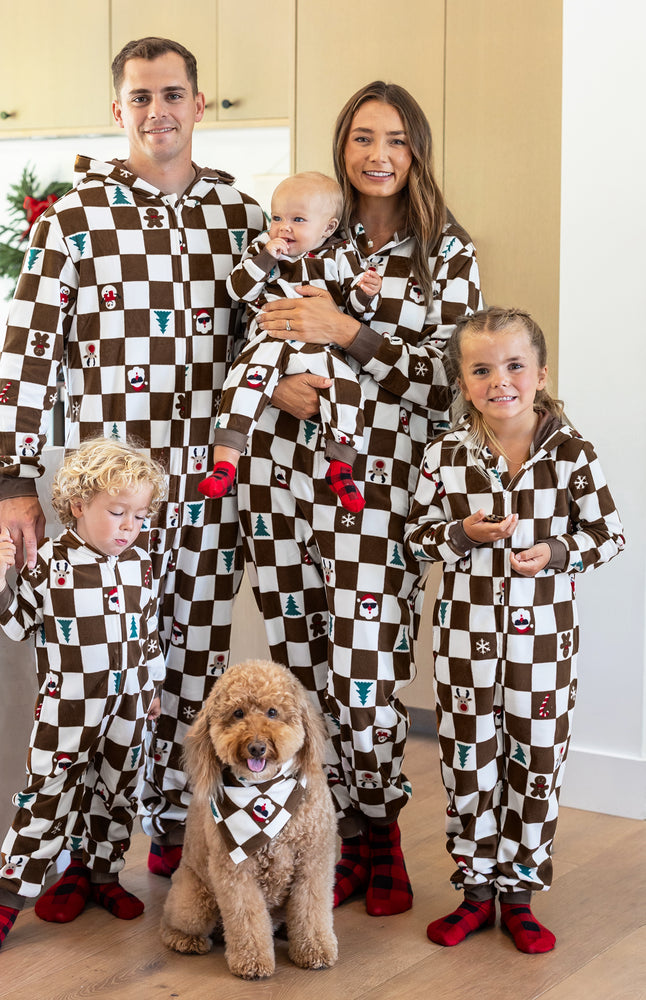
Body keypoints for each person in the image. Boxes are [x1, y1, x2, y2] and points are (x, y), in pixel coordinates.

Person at [0, 36, 265, 892]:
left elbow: (275, 338)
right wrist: (15, 482)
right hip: (116, 499)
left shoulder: (244, 217)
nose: (158, 111)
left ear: (199, 105)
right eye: (140, 98)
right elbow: (28, 350)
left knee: (190, 668)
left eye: (173, 94)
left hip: (213, 495)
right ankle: (86, 854)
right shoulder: (74, 218)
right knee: (101, 677)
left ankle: (182, 844)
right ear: (119, 111)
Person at [235, 81, 482, 917]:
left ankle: (382, 834)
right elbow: (249, 338)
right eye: (362, 139)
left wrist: (345, 334)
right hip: (279, 489)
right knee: (302, 674)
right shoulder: (304, 236)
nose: (378, 155)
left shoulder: (445, 254)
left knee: (366, 675)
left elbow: (447, 384)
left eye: (397, 141)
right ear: (342, 147)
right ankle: (328, 837)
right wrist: (276, 393)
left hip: (378, 497)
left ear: (417, 153)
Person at [404, 307, 625, 953]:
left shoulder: (573, 453)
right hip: (462, 644)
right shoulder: (446, 454)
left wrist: (557, 554)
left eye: (514, 365)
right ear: (465, 381)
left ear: (540, 373)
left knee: (535, 766)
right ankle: (475, 893)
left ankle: (521, 897)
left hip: (544, 650)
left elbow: (609, 535)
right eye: (481, 369)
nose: (499, 380)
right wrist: (463, 534)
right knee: (468, 764)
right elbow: (417, 539)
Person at [0, 438, 167, 960]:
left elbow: (149, 635)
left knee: (118, 790)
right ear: (79, 504)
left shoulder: (142, 564)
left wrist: (153, 689)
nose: (129, 527)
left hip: (131, 704)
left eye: (139, 516)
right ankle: (6, 906)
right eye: (118, 512)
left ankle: (103, 874)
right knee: (45, 798)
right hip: (67, 712)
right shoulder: (51, 562)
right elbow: (17, 627)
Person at [198, 171, 382, 513]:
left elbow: (356, 312)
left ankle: (341, 466)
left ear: (327, 228)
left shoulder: (340, 256)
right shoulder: (260, 249)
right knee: (242, 384)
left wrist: (366, 292)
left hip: (318, 348)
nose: (284, 228)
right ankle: (225, 463)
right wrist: (268, 257)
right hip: (269, 341)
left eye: (298, 220)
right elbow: (238, 289)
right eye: (278, 218)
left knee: (345, 387)